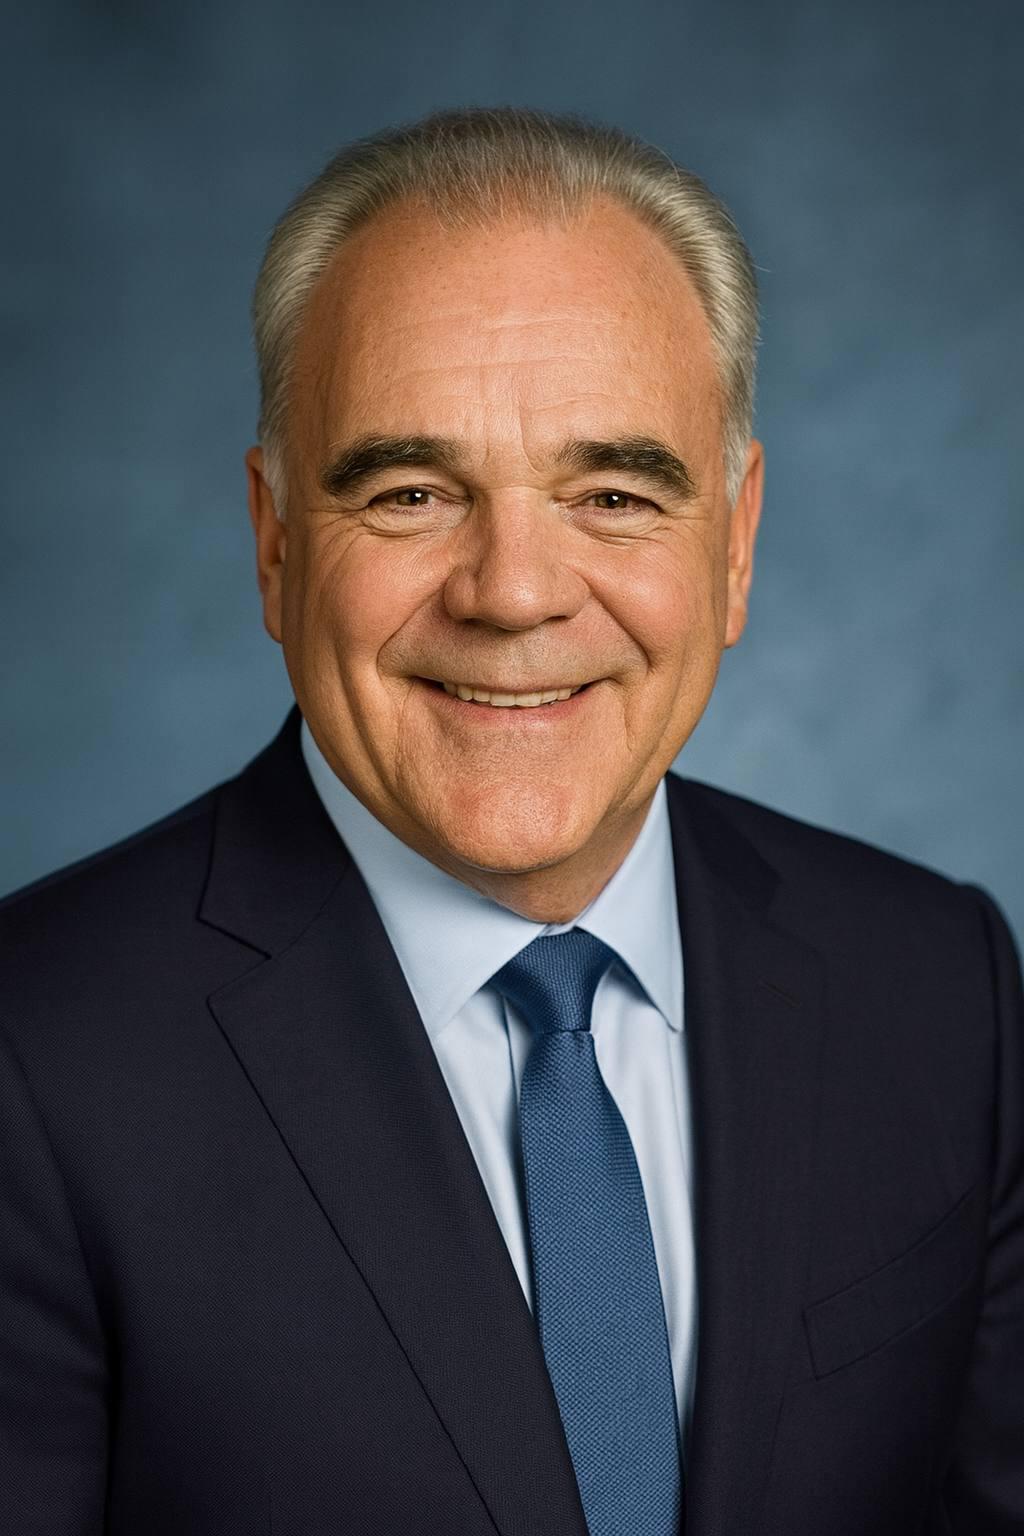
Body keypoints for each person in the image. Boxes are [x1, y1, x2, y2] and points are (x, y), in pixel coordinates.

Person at [1, 106, 1021, 1536]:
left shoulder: (941, 989)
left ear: (734, 545)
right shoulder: (34, 1056)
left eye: (614, 492)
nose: (516, 590)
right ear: (276, 543)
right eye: (412, 493)